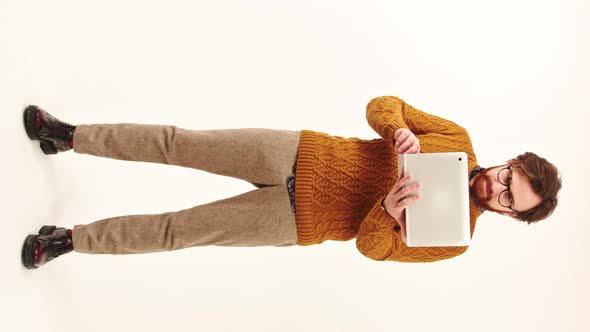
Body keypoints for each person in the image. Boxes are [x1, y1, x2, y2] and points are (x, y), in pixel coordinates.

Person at [21, 96, 562, 269]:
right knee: (176, 141)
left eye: (510, 198)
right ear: (509, 161)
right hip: (298, 151)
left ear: (513, 215)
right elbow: (382, 104)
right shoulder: (458, 138)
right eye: (508, 176)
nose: (497, 188)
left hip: (295, 219)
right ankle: (68, 136)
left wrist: (389, 213)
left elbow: (374, 249)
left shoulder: (453, 241)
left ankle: (69, 240)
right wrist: (397, 131)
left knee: (176, 231)